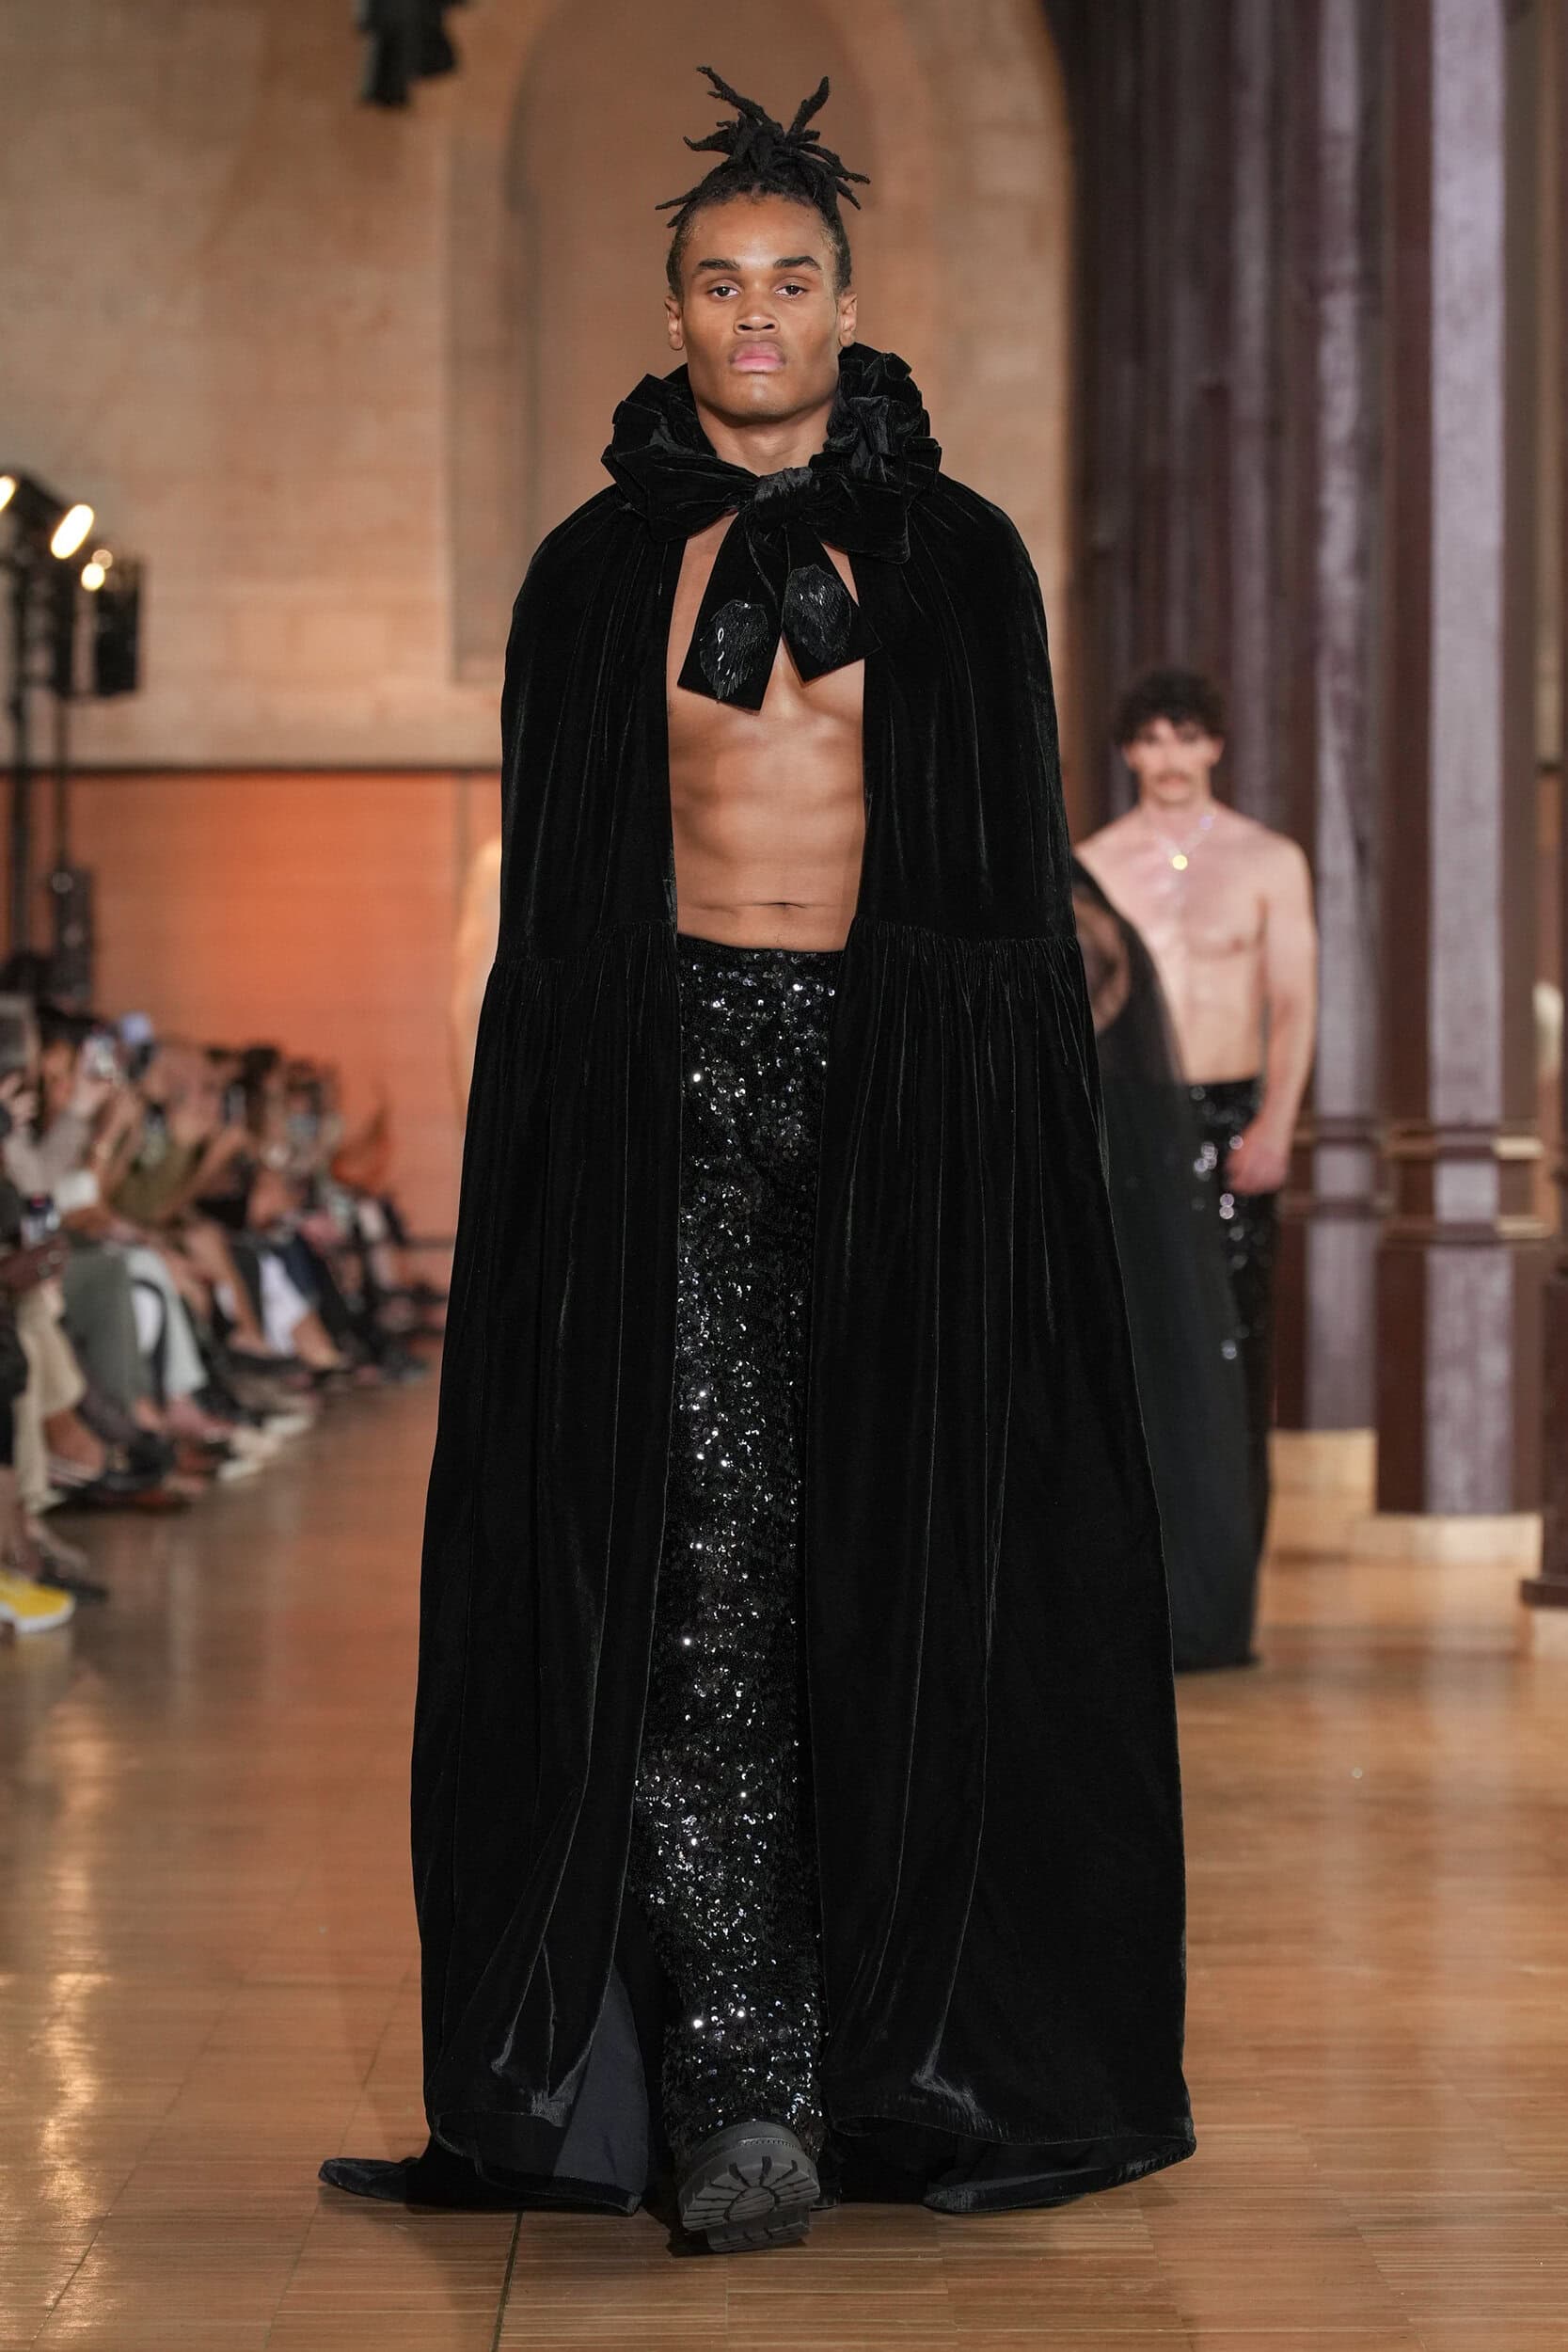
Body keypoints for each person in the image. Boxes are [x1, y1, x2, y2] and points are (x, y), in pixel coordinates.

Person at [322, 70, 1193, 2250]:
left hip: (904, 1111)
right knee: (696, 1568)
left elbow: (1001, 909)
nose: (756, 315)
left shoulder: (959, 565)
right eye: (719, 283)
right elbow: (557, 940)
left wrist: (1014, 1184)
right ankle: (735, 2084)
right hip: (669, 1099)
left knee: (892, 1556)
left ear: (845, 302)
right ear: (678, 313)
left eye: (790, 279)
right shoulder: (594, 575)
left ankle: (909, 2049)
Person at [1077, 668, 1318, 1568]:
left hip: (1230, 1113)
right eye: (1150, 739)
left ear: (1214, 743)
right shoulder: (1096, 864)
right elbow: (1083, 1007)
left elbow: (1293, 1003)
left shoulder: (1267, 860)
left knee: (1235, 1338)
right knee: (1133, 1334)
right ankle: (1141, 1562)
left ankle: (1228, 1563)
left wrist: (1275, 1123)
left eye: (1185, 736)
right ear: (1128, 753)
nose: (1169, 757)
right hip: (1129, 1116)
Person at [1071, 861, 1258, 1668]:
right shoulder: (1095, 889)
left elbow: (1104, 980)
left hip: (1122, 1143)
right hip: (1125, 1142)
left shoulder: (1077, 904)